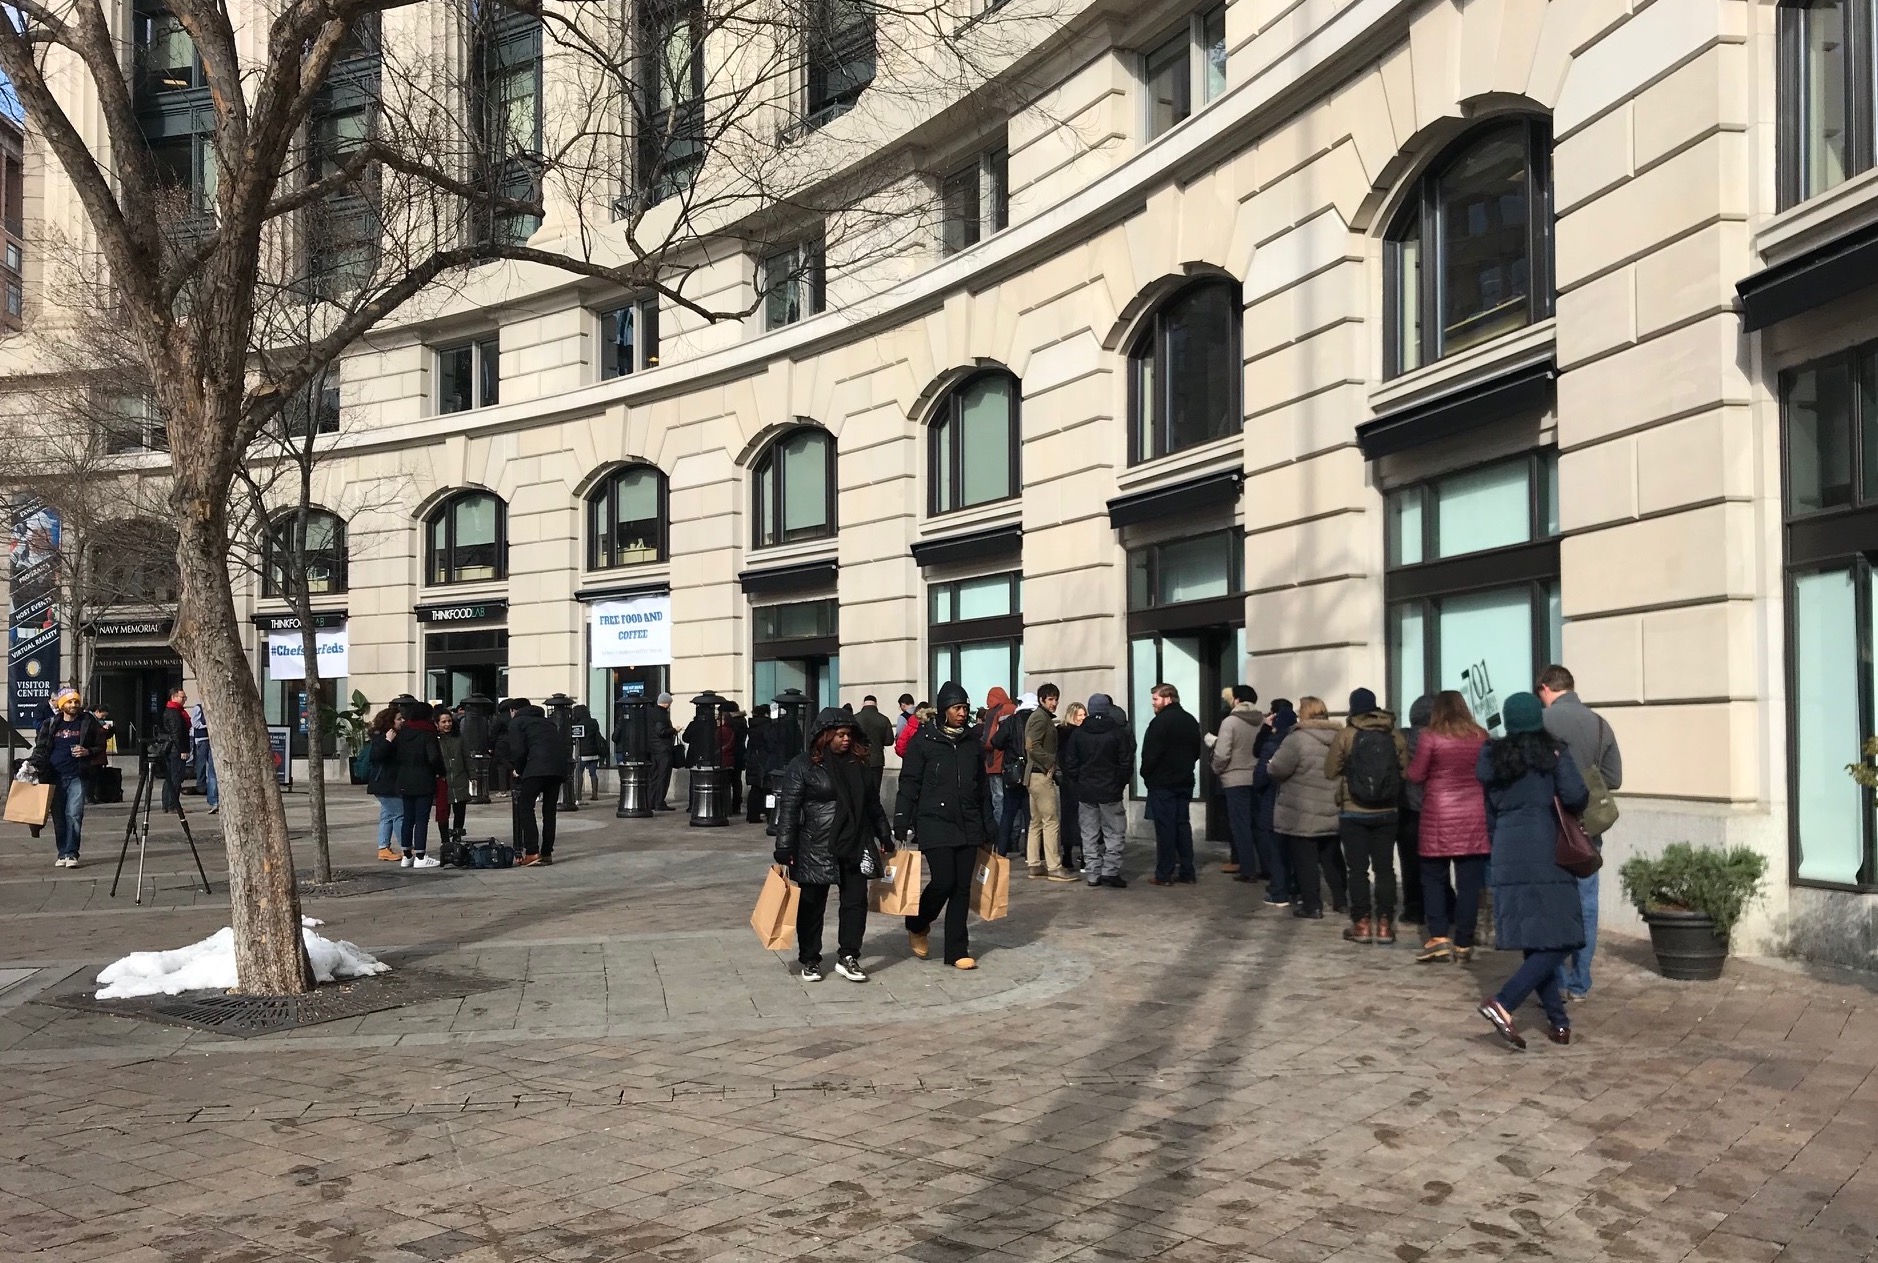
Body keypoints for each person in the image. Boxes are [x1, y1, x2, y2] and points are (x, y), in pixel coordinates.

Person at [1477, 692, 1590, 1050]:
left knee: (1535, 938)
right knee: (1565, 935)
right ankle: (1504, 1003)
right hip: (1547, 847)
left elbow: (1490, 813)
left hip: (1509, 849)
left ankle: (1558, 1021)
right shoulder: (1553, 753)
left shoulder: (1493, 758)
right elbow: (1576, 796)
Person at [774, 708, 894, 982]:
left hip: (855, 843)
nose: (846, 740)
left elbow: (873, 805)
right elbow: (789, 808)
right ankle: (810, 958)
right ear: (824, 736)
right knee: (812, 905)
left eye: (849, 735)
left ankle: (849, 955)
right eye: (840, 734)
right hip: (816, 845)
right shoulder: (803, 765)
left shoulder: (858, 765)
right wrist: (785, 847)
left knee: (855, 902)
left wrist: (884, 834)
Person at [1538, 664, 1623, 1002]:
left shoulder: (1542, 723)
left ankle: (1556, 978)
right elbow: (1613, 778)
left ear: (1545, 689)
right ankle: (1580, 980)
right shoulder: (1600, 724)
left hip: (1549, 824)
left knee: (1552, 905)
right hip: (1586, 827)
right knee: (1586, 903)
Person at [895, 680, 989, 969]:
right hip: (934, 821)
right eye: (957, 708)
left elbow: (982, 786)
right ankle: (918, 923)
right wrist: (901, 818)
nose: (962, 713)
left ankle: (957, 950)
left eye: (965, 708)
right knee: (943, 881)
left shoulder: (972, 743)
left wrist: (989, 822)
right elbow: (909, 782)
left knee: (962, 887)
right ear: (944, 710)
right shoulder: (924, 741)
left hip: (969, 821)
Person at [1405, 692, 1489, 963]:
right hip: (1473, 816)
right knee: (1468, 884)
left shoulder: (1430, 736)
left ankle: (1438, 937)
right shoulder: (1480, 736)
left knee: (1433, 879)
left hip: (1438, 815)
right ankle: (1464, 942)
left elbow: (1416, 775)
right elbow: (1488, 773)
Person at [1324, 688, 1409, 945]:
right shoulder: (1394, 734)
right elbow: (1405, 771)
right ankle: (1384, 924)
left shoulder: (1346, 735)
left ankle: (1361, 924)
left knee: (1357, 870)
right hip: (1387, 812)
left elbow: (1330, 771)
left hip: (1353, 811)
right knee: (1384, 869)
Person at [1266, 697, 1345, 918]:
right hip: (1332, 807)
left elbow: (1278, 769)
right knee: (1333, 858)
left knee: (1306, 861)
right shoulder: (1340, 736)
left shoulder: (1297, 739)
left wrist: (1269, 766)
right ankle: (1341, 901)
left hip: (1302, 811)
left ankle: (1313, 905)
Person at [32, 688, 107, 868]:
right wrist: (32, 765)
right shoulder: (51, 724)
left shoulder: (87, 722)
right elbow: (41, 748)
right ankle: (62, 853)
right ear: (61, 704)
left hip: (77, 775)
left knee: (74, 814)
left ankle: (72, 853)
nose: (73, 705)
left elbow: (101, 745)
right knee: (58, 817)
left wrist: (88, 751)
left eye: (76, 702)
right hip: (54, 776)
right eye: (69, 702)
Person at [1064, 693, 1132, 887]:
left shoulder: (1079, 733)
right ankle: (1110, 870)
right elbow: (1126, 762)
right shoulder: (1117, 732)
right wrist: (1119, 783)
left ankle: (1093, 874)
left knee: (1089, 833)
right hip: (1111, 791)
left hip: (1086, 791)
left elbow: (1071, 763)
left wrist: (1079, 783)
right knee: (1115, 832)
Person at [1140, 683, 1202, 886]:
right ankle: (1187, 871)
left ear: (1168, 699)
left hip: (1163, 783)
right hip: (1184, 780)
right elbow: (1196, 751)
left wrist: (1146, 774)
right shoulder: (1190, 720)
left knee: (1165, 829)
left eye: (1156, 700)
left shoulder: (1160, 723)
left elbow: (1150, 754)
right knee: (1182, 825)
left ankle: (1164, 873)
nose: (1153, 704)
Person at [1211, 685, 1265, 881]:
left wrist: (1217, 768)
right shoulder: (1262, 720)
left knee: (1240, 825)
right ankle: (1265, 866)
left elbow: (1222, 753)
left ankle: (1247, 869)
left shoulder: (1230, 722)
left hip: (1234, 778)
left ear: (1237, 700)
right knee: (1258, 824)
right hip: (1257, 776)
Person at [505, 700, 569, 865]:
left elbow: (518, 750)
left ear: (513, 710)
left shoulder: (517, 722)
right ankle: (547, 853)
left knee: (526, 807)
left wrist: (518, 769)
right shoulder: (547, 722)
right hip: (557, 768)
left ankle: (532, 851)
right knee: (549, 811)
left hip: (536, 767)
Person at [1023, 683, 1075, 881]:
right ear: (1042, 700)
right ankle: (1054, 866)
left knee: (1036, 822)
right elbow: (1031, 745)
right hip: (1040, 775)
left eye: (1056, 699)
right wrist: (1050, 762)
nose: (1054, 703)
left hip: (1035, 775)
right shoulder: (1039, 718)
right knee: (1051, 821)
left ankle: (1034, 863)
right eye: (1051, 699)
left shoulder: (1040, 717)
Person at [1250, 699, 1297, 907]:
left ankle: (1279, 891)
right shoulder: (1298, 743)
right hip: (1296, 804)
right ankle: (1295, 887)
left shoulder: (1272, 745)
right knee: (1294, 850)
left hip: (1272, 801)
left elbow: (1260, 777)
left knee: (1275, 850)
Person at [390, 700, 447, 868]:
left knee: (408, 818)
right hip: (423, 779)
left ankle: (407, 855)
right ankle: (420, 855)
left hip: (405, 779)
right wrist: (441, 772)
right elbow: (434, 757)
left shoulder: (402, 733)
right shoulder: (427, 733)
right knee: (422, 819)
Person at [1397, 695, 1435, 924]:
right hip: (1436, 808)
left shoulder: (1402, 737)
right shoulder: (1443, 738)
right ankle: (1443, 904)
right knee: (1436, 864)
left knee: (1410, 861)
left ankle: (1414, 907)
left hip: (1409, 808)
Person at [991, 692, 1033, 857]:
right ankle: (1031, 852)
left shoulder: (1012, 720)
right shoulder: (1038, 720)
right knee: (1030, 815)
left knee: (1008, 812)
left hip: (1013, 771)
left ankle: (1001, 850)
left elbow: (996, 741)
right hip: (1031, 771)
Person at [366, 706, 405, 861]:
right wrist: (388, 741)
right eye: (399, 718)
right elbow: (376, 756)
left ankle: (383, 848)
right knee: (399, 814)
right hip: (385, 783)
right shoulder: (382, 737)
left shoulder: (396, 736)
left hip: (387, 783)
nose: (402, 721)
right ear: (390, 721)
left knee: (387, 815)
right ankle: (406, 847)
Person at [980, 686, 1017, 834]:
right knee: (1014, 801)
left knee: (998, 799)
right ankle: (1014, 835)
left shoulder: (994, 712)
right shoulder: (1015, 709)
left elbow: (989, 739)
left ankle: (1001, 836)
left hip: (995, 762)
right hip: (1013, 763)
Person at [436, 708, 472, 846]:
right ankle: (445, 841)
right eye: (443, 722)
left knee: (460, 812)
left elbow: (466, 757)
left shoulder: (459, 738)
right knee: (443, 813)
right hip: (443, 781)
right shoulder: (435, 739)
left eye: (449, 721)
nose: (447, 724)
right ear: (437, 723)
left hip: (459, 778)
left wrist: (472, 775)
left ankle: (457, 839)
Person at [1058, 701, 1086, 871]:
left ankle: (1069, 855)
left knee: (1072, 819)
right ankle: (1075, 854)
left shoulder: (1061, 733)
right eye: (1080, 715)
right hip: (1073, 780)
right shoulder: (1073, 734)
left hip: (1068, 781)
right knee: (1078, 819)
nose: (1083, 718)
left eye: (1084, 715)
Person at [854, 694, 894, 812]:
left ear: (863, 703)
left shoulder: (855, 718)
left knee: (859, 790)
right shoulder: (883, 719)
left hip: (858, 759)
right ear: (876, 704)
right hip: (876, 760)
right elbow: (889, 741)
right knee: (874, 792)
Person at [160, 686, 192, 812]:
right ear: (174, 697)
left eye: (185, 697)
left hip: (172, 748)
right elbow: (177, 733)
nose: (184, 700)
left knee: (170, 777)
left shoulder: (173, 711)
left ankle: (167, 804)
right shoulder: (174, 712)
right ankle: (172, 804)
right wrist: (183, 750)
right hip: (175, 750)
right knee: (176, 777)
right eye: (182, 697)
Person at [743, 704, 775, 823]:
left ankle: (752, 815)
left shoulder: (752, 725)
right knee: (768, 788)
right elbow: (770, 744)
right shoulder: (767, 726)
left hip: (753, 759)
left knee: (755, 788)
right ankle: (769, 814)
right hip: (764, 759)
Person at [648, 692, 679, 811]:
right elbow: (661, 731)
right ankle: (659, 802)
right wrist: (674, 730)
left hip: (654, 749)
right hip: (663, 749)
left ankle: (651, 801)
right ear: (666, 703)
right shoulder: (661, 714)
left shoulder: (651, 712)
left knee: (655, 776)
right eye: (670, 703)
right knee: (663, 777)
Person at [189, 700, 219, 815]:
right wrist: (208, 725)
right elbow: (195, 724)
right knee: (203, 765)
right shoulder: (198, 707)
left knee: (212, 770)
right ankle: (202, 785)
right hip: (202, 740)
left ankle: (213, 799)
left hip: (211, 740)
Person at [572, 703, 606, 799]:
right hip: (594, 752)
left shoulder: (578, 725)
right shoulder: (594, 722)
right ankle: (594, 794)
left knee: (579, 772)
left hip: (583, 752)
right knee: (593, 773)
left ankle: (578, 795)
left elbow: (575, 738)